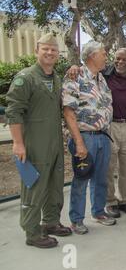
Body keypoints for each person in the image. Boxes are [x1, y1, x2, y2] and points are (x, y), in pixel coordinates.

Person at [5, 33, 72, 248]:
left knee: (54, 183)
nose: (50, 52)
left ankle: (51, 222)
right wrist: (17, 143)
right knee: (33, 185)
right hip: (34, 142)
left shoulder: (56, 78)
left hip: (54, 142)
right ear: (37, 51)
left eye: (53, 49)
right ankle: (32, 232)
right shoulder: (26, 78)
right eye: (46, 49)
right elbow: (13, 111)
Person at [67, 48, 126, 219]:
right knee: (108, 167)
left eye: (124, 60)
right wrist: (74, 66)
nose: (120, 62)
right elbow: (86, 71)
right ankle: (110, 201)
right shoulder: (104, 74)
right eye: (117, 58)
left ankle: (124, 199)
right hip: (108, 127)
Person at [62, 41, 115, 234]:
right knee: (81, 178)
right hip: (84, 136)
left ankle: (98, 212)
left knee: (101, 178)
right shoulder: (75, 76)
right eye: (103, 53)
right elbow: (68, 112)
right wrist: (78, 142)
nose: (106, 56)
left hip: (102, 136)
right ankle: (76, 219)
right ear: (92, 56)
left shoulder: (101, 78)